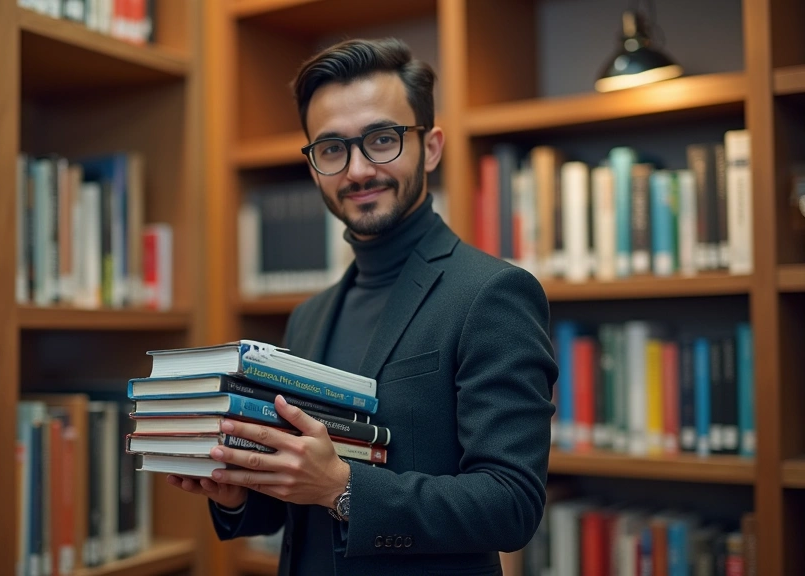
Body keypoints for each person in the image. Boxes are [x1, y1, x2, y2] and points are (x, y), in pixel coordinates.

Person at [165, 37, 558, 576]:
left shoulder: (491, 294)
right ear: (313, 165)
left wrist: (343, 488)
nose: (356, 170)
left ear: (432, 147)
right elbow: (296, 500)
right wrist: (236, 489)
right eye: (332, 149)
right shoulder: (311, 315)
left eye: (381, 140)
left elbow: (511, 505)